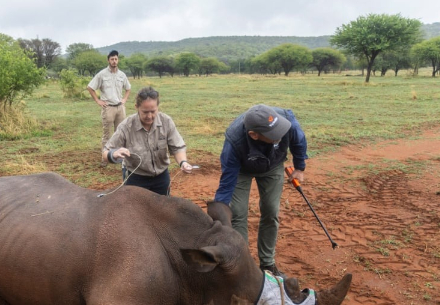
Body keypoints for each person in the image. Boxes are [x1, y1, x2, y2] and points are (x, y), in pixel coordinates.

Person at [213, 104, 308, 277]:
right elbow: (227, 182)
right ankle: (244, 265)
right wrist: (220, 208)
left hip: (273, 165)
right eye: (273, 134)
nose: (280, 134)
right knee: (238, 213)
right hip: (242, 170)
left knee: (271, 210)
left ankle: (268, 264)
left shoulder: (286, 122)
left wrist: (300, 167)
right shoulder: (235, 141)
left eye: (279, 130)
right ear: (254, 135)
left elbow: (298, 139)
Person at [102, 86, 193, 196]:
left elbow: (177, 147)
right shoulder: (126, 126)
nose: (149, 116)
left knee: (161, 209)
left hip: (161, 177)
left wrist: (183, 162)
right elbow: (105, 153)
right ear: (137, 107)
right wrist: (113, 154)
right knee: (135, 211)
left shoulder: (166, 122)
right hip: (136, 178)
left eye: (153, 111)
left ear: (157, 107)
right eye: (145, 112)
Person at [87, 50, 131, 166]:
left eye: (116, 59)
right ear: (108, 60)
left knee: (121, 133)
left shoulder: (122, 75)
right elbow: (90, 87)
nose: (114, 61)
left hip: (120, 108)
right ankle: (105, 159)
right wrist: (98, 100)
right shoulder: (102, 74)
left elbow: (128, 88)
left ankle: (120, 158)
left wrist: (124, 100)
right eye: (112, 59)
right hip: (108, 108)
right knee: (107, 134)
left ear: (118, 60)